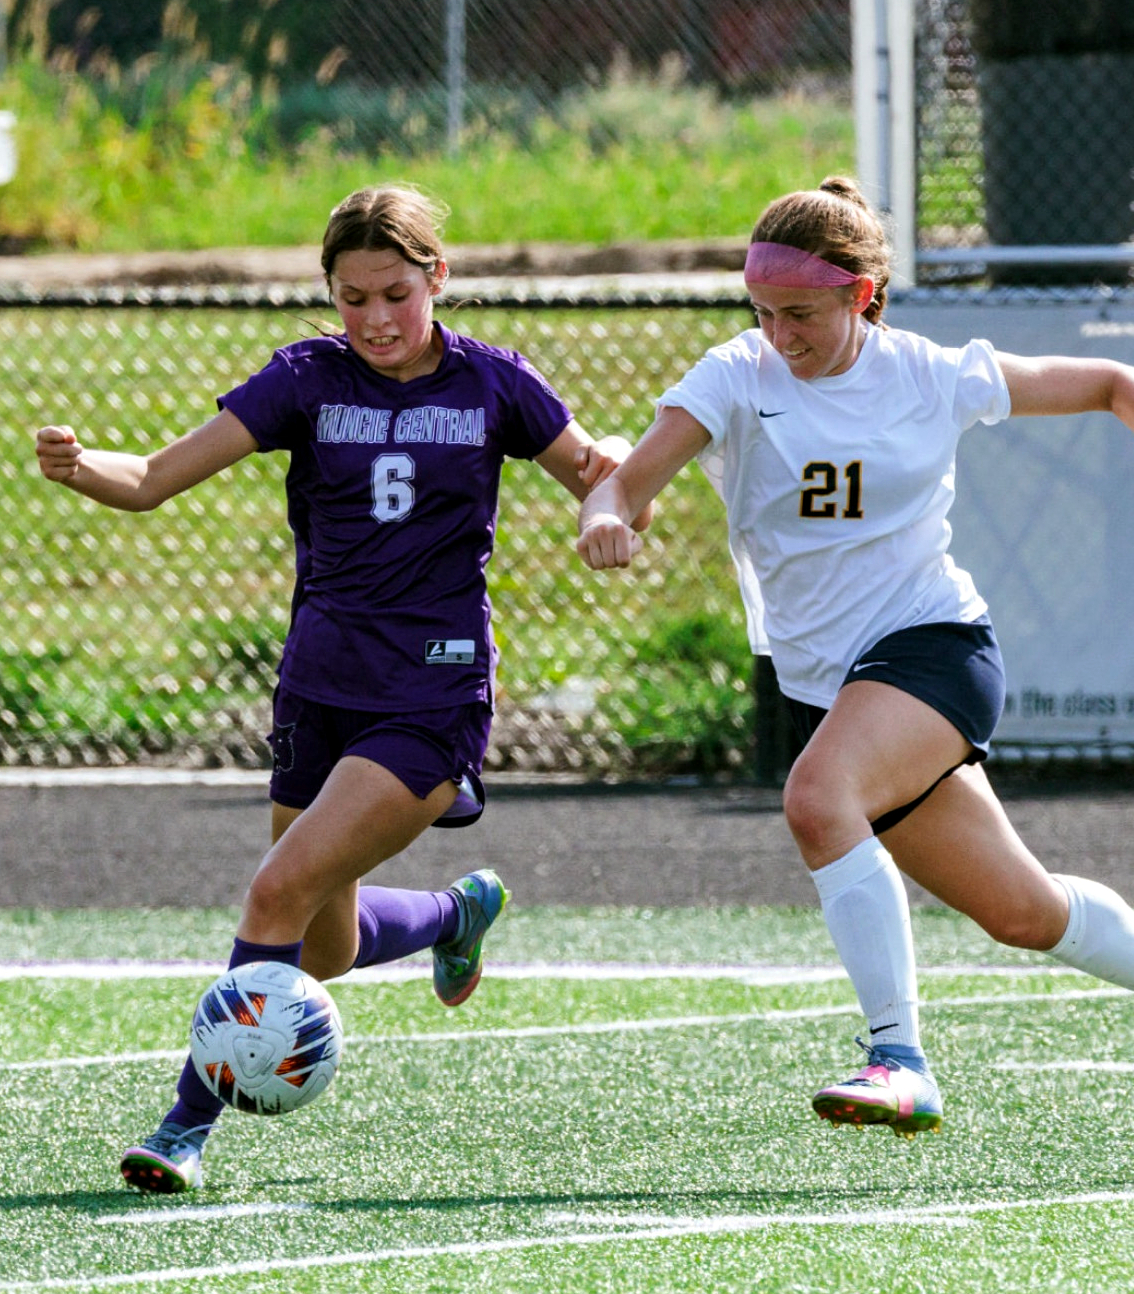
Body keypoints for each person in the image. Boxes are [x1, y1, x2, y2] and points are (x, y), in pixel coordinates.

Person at [35, 183, 650, 1192]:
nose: (375, 318)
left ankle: (182, 1125)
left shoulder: (495, 384)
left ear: (438, 279)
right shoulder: (306, 381)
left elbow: (605, 471)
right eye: (352, 296)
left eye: (396, 294)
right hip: (318, 689)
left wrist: (616, 498)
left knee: (274, 890)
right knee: (316, 945)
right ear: (330, 292)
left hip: (432, 694)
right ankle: (456, 915)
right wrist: (76, 466)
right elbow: (149, 478)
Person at [576, 175, 1134, 1139]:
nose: (778, 335)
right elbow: (624, 485)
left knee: (814, 797)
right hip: (833, 690)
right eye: (762, 312)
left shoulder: (930, 370)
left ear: (861, 296)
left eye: (799, 315)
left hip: (935, 650)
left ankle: (899, 1060)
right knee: (1026, 915)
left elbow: (1111, 384)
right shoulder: (735, 373)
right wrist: (607, 519)